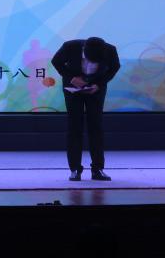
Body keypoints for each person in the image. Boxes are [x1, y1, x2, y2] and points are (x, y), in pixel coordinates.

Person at [51, 36, 120, 181]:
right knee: (74, 126)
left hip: (96, 90)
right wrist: (71, 78)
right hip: (72, 88)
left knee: (96, 127)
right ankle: (75, 169)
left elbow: (114, 67)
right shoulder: (69, 47)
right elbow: (56, 61)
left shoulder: (110, 50)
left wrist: (99, 84)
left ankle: (97, 169)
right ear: (84, 51)